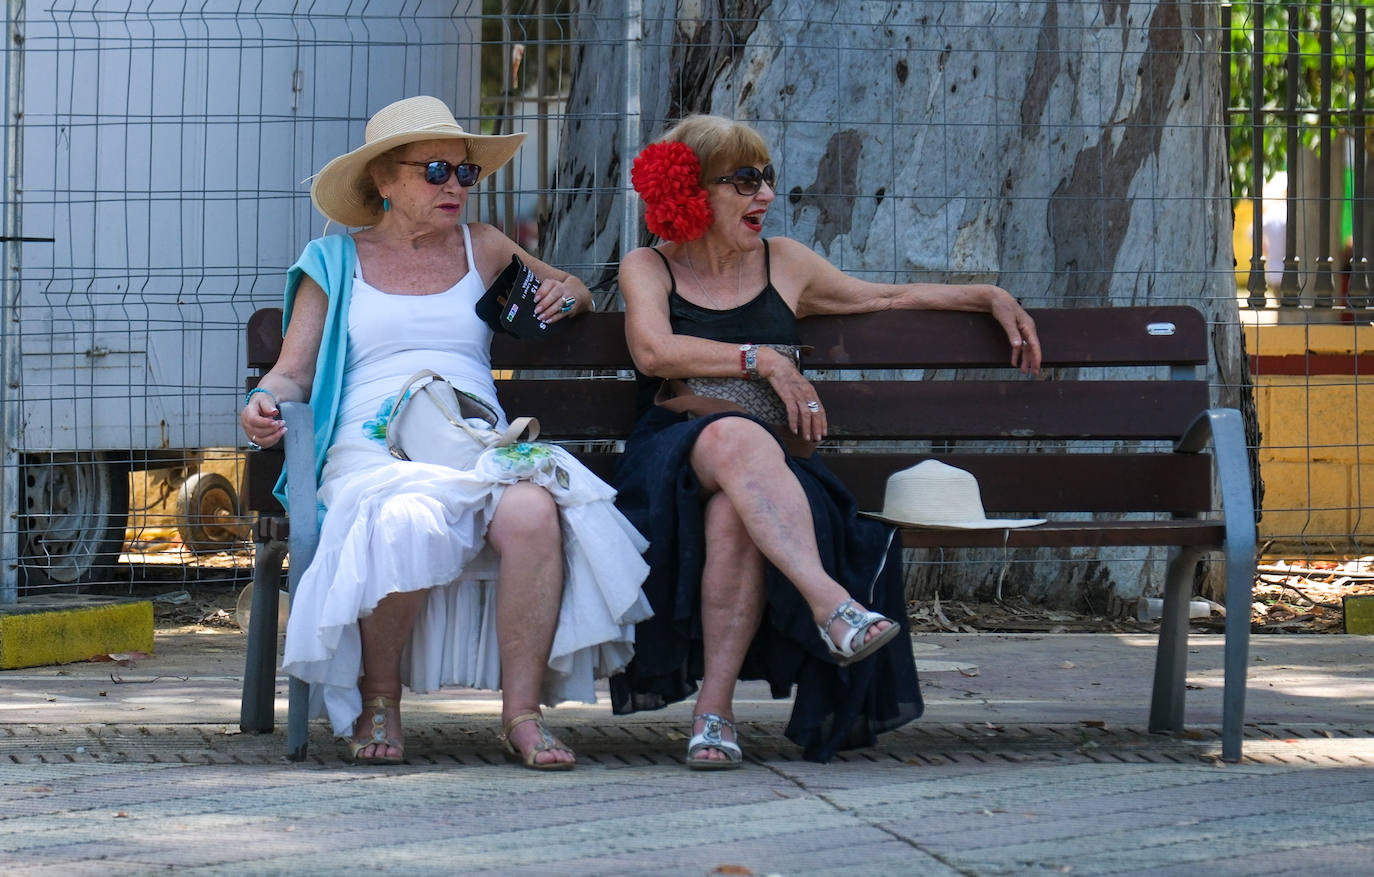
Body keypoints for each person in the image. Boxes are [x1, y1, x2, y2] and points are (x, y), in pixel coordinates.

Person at [611, 115, 1042, 766]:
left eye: (768, 178)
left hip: (765, 474)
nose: (765, 195)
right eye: (744, 180)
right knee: (731, 432)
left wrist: (984, 293)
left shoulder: (784, 263)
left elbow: (887, 298)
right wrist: (766, 360)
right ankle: (832, 603)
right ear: (692, 191)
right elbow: (652, 350)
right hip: (675, 452)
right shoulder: (648, 266)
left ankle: (714, 715)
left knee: (734, 514)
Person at [240, 96, 651, 769]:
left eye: (466, 174)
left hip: (472, 443)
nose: (455, 187)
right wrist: (262, 403)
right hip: (371, 449)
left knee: (533, 511)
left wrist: (567, 296)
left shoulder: (483, 246)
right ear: (384, 180)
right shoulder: (334, 260)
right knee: (405, 517)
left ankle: (522, 715)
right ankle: (380, 699)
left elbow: (574, 288)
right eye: (436, 172)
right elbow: (290, 373)